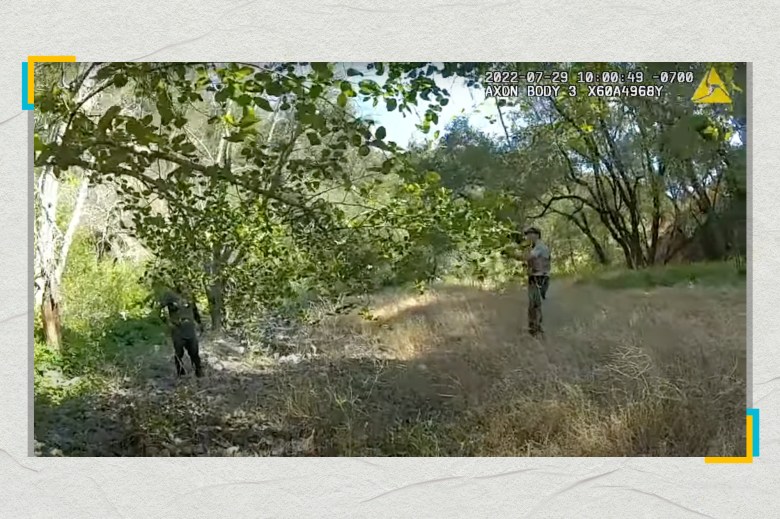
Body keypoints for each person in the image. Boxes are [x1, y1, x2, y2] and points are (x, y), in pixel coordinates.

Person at [159, 285, 204, 377]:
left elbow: (195, 311)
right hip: (177, 329)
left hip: (190, 328)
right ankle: (180, 372)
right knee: (179, 352)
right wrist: (168, 322)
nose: (183, 285)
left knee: (194, 351)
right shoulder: (170, 296)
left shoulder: (190, 296)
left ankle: (198, 371)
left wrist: (199, 323)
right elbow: (160, 310)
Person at [522, 226, 551, 337]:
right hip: (536, 276)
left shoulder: (539, 246)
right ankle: (534, 328)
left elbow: (528, 257)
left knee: (535, 303)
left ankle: (536, 329)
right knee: (534, 304)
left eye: (530, 234)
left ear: (536, 235)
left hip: (538, 278)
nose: (528, 236)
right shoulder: (535, 246)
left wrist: (511, 253)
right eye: (527, 234)